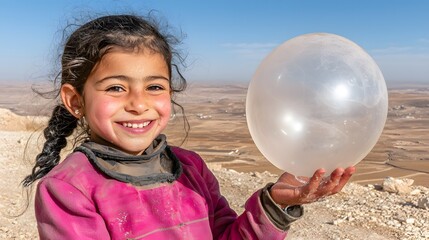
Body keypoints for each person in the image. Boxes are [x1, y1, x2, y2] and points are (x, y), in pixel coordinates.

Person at [22, 14, 355, 240]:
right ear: (75, 100)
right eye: (115, 88)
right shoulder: (68, 189)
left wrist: (275, 204)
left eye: (154, 87)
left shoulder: (191, 167)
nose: (138, 103)